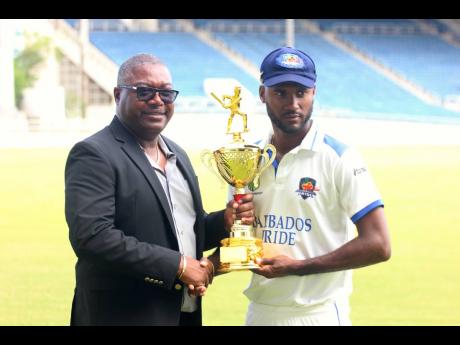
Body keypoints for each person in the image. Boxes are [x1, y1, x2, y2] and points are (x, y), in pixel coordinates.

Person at [64, 53, 254, 326]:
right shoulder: (94, 154)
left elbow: (185, 228)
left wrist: (223, 223)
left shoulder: (177, 154)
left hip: (182, 314)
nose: (157, 101)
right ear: (118, 95)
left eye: (166, 93)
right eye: (144, 91)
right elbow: (93, 238)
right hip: (120, 317)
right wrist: (178, 266)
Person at [243, 47, 391, 326]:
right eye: (281, 93)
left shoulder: (339, 157)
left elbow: (379, 245)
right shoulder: (248, 159)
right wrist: (207, 267)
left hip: (317, 314)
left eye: (301, 92)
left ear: (314, 93)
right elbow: (240, 239)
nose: (293, 103)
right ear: (262, 94)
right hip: (260, 312)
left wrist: (298, 268)